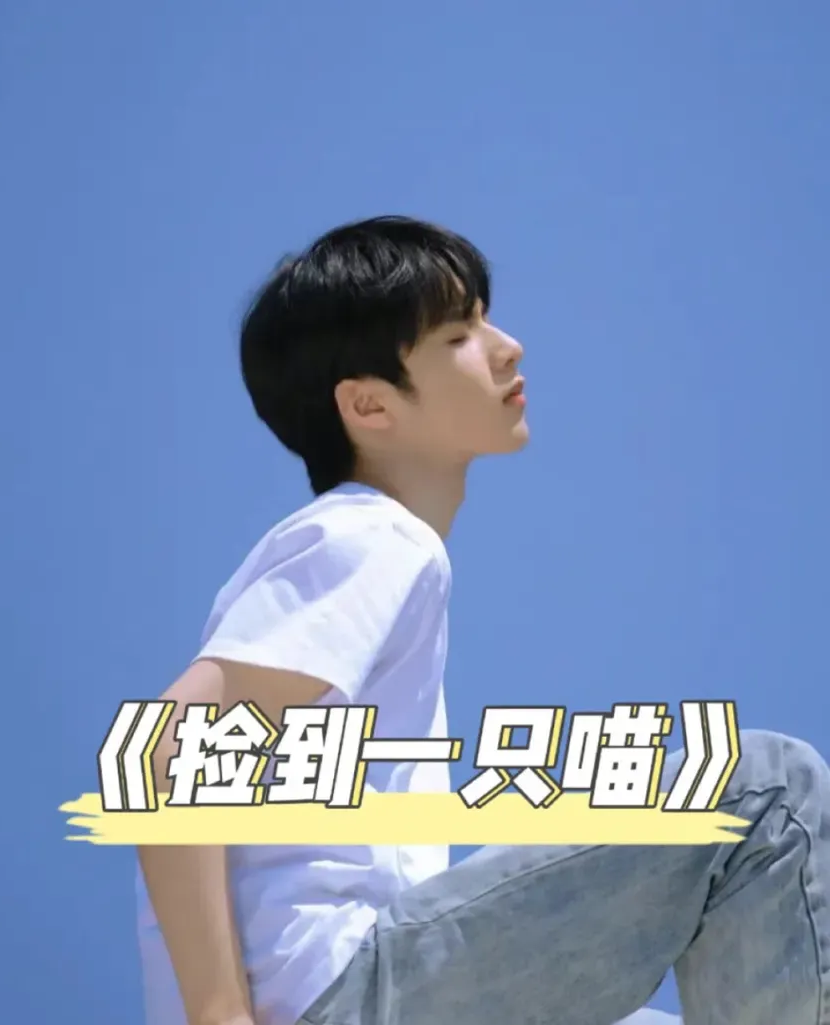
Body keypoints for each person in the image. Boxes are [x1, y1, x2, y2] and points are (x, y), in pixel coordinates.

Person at [135, 216, 829, 1025]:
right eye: (460, 334)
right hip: (344, 997)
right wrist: (219, 1013)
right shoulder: (370, 535)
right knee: (766, 791)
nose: (508, 347)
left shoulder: (368, 549)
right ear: (369, 403)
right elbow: (170, 745)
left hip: (372, 992)